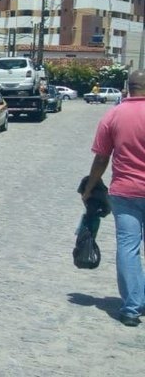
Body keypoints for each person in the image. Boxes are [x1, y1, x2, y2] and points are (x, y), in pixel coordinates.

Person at [81, 70, 145, 327]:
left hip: (125, 191)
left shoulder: (113, 115)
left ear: (128, 87)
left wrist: (90, 187)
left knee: (128, 249)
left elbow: (101, 158)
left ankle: (132, 307)